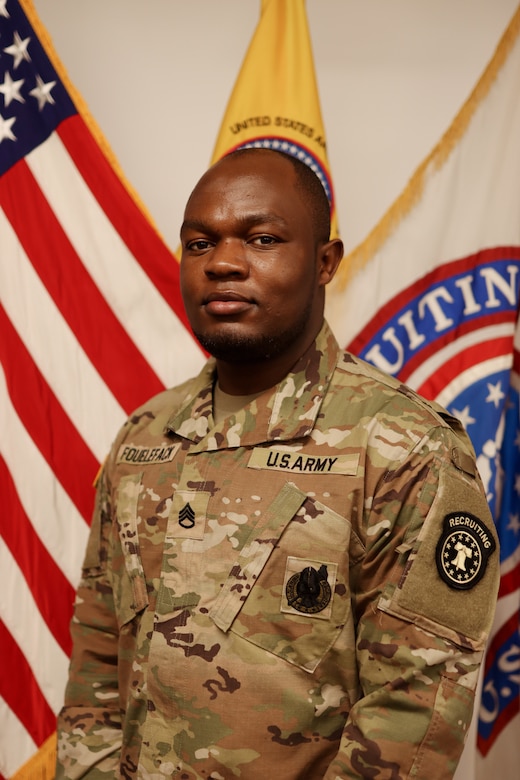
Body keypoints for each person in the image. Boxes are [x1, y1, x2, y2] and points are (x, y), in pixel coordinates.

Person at [56, 148, 500, 779]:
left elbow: (412, 711)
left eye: (262, 239)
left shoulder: (404, 448)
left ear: (325, 262)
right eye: (200, 243)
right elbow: (99, 656)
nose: (224, 264)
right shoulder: (145, 437)